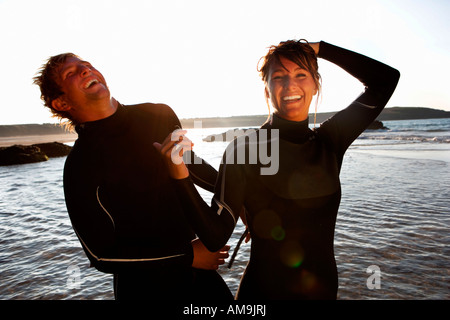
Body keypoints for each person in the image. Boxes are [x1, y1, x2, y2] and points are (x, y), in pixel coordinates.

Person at [156, 40, 400, 299]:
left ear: (316, 84)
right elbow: (215, 235)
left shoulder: (330, 141)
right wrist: (179, 174)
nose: (290, 85)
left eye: (301, 74)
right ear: (267, 89)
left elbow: (385, 80)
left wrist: (320, 48)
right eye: (279, 76)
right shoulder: (245, 149)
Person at [33, 53, 233, 300]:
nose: (85, 70)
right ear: (62, 103)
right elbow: (100, 254)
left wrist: (239, 202)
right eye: (70, 73)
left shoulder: (157, 114)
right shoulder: (80, 164)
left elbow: (191, 166)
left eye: (86, 65)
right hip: (144, 288)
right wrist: (189, 256)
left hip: (201, 280)